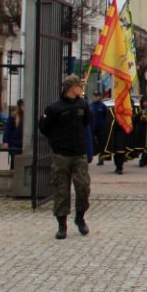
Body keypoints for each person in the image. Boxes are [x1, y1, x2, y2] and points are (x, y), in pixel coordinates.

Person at [38, 74, 92, 240]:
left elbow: (87, 122)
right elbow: (44, 127)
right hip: (61, 154)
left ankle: (80, 217)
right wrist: (57, 141)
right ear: (71, 88)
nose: (81, 89)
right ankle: (62, 225)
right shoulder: (55, 108)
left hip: (79, 154)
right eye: (78, 86)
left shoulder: (83, 105)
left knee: (83, 187)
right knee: (61, 190)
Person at [2, 99, 25, 169]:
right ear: (20, 106)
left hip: (22, 142)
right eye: (23, 106)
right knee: (14, 160)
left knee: (21, 162)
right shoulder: (13, 116)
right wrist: (5, 141)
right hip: (14, 142)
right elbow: (7, 129)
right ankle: (13, 173)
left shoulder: (28, 116)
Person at [90, 91, 110, 165]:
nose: (96, 97)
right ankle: (93, 154)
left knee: (101, 143)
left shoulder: (103, 106)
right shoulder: (91, 105)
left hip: (101, 127)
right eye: (95, 96)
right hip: (93, 127)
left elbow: (105, 116)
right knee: (92, 142)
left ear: (100, 96)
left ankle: (101, 158)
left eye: (97, 96)